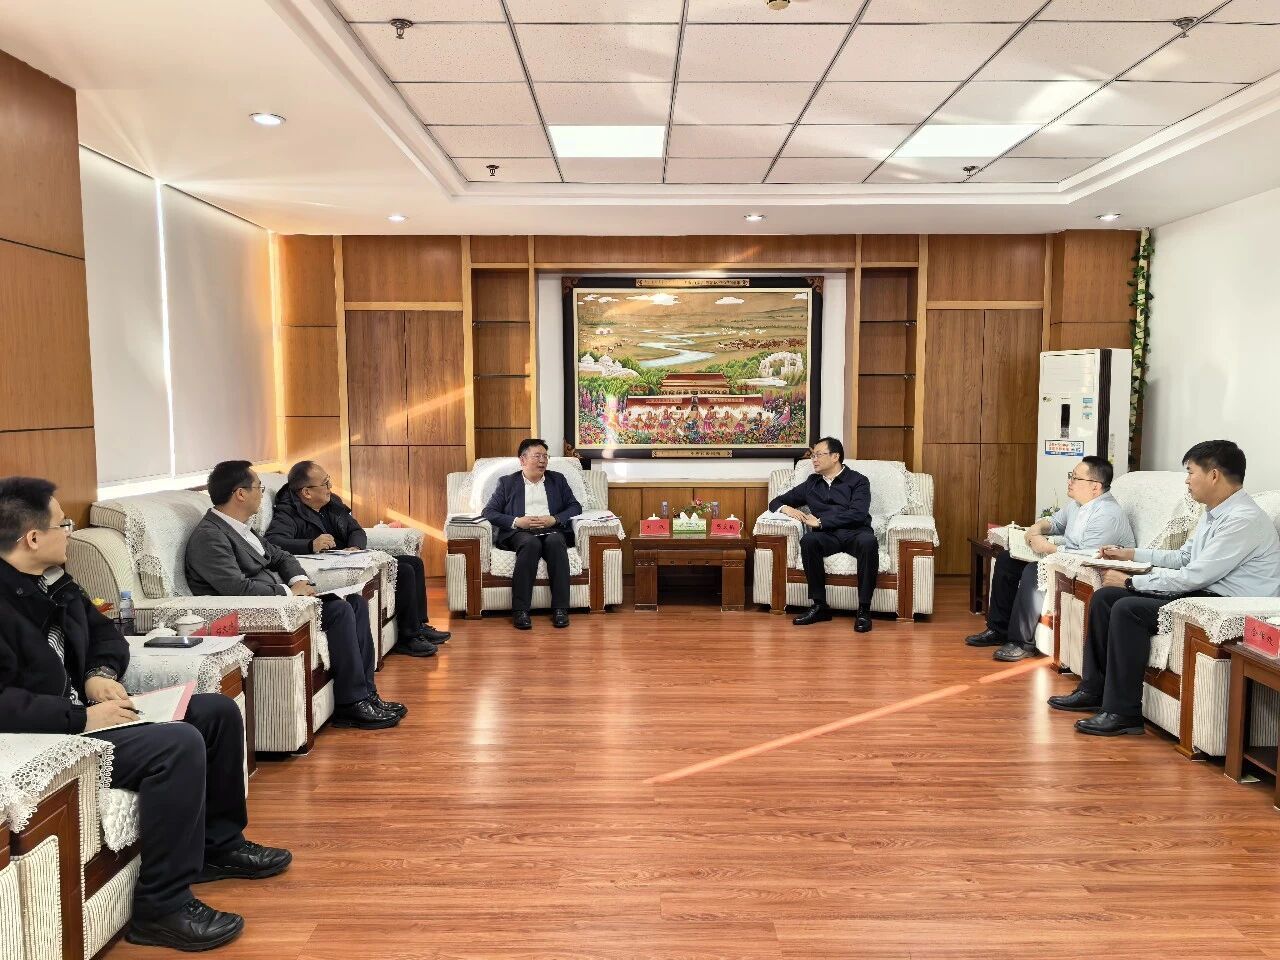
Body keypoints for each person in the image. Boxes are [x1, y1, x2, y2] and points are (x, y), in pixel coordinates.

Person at [0, 476, 292, 952]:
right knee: (176, 744)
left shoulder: (54, 581)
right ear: (32, 537)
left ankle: (218, 847)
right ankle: (162, 907)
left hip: (89, 713)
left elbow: (106, 635)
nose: (70, 532)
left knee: (215, 712)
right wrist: (82, 719)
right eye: (63, 525)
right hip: (53, 735)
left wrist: (97, 673)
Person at [1049, 440, 1280, 736]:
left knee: (1128, 608)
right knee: (1106, 597)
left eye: (1191, 472)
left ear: (1213, 475)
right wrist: (1130, 554)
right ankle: (1093, 690)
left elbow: (1193, 576)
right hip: (1203, 592)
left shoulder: (1242, 520)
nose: (1187, 480)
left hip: (1220, 602)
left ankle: (1123, 713)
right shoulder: (1214, 513)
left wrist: (1130, 581)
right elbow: (1183, 557)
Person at [184, 461, 403, 731]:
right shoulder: (210, 536)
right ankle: (351, 703)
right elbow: (237, 589)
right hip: (260, 613)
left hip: (282, 600)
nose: (262, 493)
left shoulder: (241, 528)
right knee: (340, 611)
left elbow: (282, 556)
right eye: (258, 487)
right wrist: (289, 591)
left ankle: (366, 694)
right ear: (240, 494)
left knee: (355, 602)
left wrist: (299, 581)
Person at [265, 460, 448, 658]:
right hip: (331, 565)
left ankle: (418, 625)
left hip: (351, 557)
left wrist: (355, 547)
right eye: (325, 483)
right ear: (307, 492)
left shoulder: (332, 503)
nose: (330, 486)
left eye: (328, 480)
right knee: (404, 570)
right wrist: (310, 544)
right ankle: (408, 638)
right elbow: (273, 541)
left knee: (413, 563)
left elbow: (356, 530)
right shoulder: (288, 511)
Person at [966, 456, 1135, 662]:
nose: (1070, 481)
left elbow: (1087, 556)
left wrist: (1047, 547)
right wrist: (1035, 528)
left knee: (1034, 570)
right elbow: (1055, 522)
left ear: (1095, 486)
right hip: (1068, 558)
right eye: (1071, 476)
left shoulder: (1108, 514)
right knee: (1007, 560)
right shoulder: (1077, 504)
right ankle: (998, 630)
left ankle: (1022, 643)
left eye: (1076, 478)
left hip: (1093, 569)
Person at [769, 437, 877, 633]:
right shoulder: (812, 483)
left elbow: (858, 513)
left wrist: (820, 521)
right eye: (813, 456)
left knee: (869, 542)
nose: (814, 459)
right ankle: (820, 606)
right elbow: (775, 502)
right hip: (827, 536)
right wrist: (786, 509)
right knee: (808, 541)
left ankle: (864, 609)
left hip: (855, 532)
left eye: (819, 455)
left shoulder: (858, 481)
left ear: (835, 457)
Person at [481, 438, 582, 630]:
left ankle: (561, 609)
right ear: (523, 460)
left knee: (556, 542)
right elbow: (489, 512)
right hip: (520, 532)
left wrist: (554, 519)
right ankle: (520, 610)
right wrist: (517, 521)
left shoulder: (557, 480)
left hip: (551, 529)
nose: (543, 460)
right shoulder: (507, 483)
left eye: (545, 456)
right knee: (530, 544)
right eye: (537, 456)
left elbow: (575, 506)